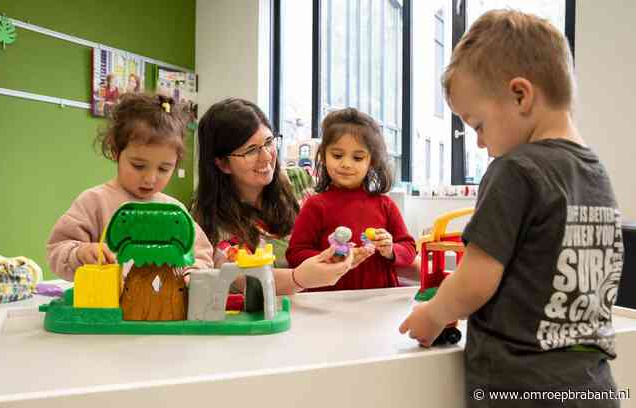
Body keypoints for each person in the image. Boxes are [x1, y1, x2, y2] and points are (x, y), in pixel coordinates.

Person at [399, 10, 623, 406]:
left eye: (478, 125)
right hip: (593, 385)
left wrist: (433, 314)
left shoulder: (516, 169)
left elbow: (474, 281)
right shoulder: (596, 173)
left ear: (521, 95)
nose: (481, 144)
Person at [191, 98, 358, 295]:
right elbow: (242, 280)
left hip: (327, 304)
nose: (267, 157)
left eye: (269, 142)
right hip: (267, 320)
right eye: (251, 150)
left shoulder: (300, 181)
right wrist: (299, 277)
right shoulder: (207, 218)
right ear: (222, 164)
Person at [47, 93, 213, 281]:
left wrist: (194, 272)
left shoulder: (175, 211)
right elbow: (57, 248)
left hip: (163, 308)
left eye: (164, 169)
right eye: (138, 165)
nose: (150, 179)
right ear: (116, 152)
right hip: (106, 305)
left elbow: (201, 253)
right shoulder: (94, 201)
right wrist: (80, 253)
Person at [286, 108, 416, 291]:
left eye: (357, 157)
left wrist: (390, 249)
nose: (346, 164)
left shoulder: (385, 205)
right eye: (337, 155)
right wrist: (331, 257)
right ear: (323, 156)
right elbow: (295, 254)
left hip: (379, 300)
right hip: (327, 301)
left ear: (371, 161)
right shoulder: (315, 205)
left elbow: (409, 248)